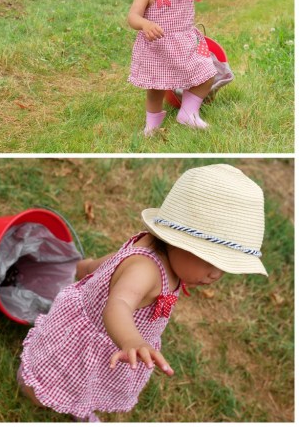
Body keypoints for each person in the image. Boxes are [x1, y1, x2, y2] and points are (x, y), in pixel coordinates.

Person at [17, 164, 267, 422]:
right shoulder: (145, 271)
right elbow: (118, 305)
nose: (215, 275)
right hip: (97, 338)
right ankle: (31, 384)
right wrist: (132, 342)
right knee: (57, 375)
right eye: (211, 263)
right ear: (179, 243)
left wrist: (86, 267)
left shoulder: (154, 247)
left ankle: (79, 400)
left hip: (109, 342)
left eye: (223, 268)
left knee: (85, 380)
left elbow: (110, 263)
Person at [127, 0, 218, 136]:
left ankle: (188, 112)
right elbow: (132, 17)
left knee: (206, 72)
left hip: (186, 43)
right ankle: (152, 122)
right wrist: (145, 24)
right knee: (156, 86)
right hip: (157, 46)